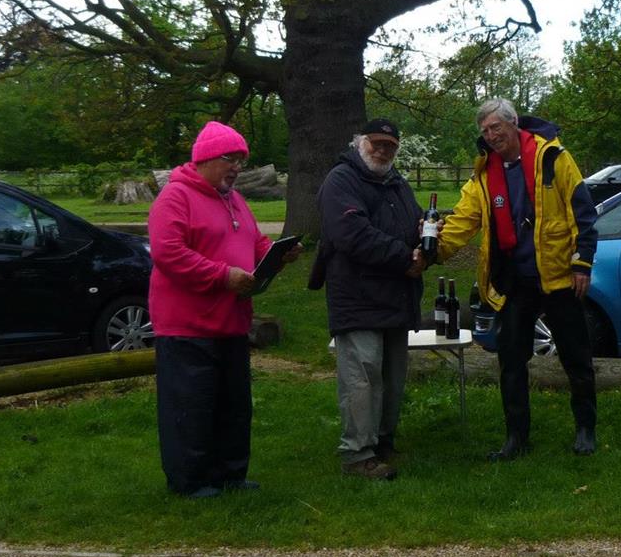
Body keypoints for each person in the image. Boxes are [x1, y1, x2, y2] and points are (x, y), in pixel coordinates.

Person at [437, 98, 598, 460]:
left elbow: (582, 212)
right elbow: (463, 221)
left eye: (496, 127)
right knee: (510, 360)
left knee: (576, 357)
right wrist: (432, 251)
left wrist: (582, 263)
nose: (492, 136)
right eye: (485, 131)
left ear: (514, 125)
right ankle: (516, 438)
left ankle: (586, 429)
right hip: (514, 281)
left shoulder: (553, 158)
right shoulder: (483, 173)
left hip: (558, 276)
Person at [148, 120, 301, 498]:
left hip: (231, 321)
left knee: (233, 405)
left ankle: (231, 474)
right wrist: (222, 276)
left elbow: (256, 241)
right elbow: (169, 253)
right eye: (230, 159)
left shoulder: (234, 198)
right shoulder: (175, 197)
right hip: (187, 325)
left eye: (242, 161)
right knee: (191, 406)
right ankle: (191, 480)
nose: (237, 167)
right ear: (205, 159)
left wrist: (276, 255)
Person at [317, 118, 426, 480]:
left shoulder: (397, 183)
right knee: (361, 376)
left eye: (389, 146)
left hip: (395, 296)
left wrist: (428, 245)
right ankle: (357, 454)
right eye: (375, 143)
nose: (382, 150)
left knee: (392, 376)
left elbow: (415, 225)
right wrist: (404, 257)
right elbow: (351, 233)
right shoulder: (341, 180)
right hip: (357, 296)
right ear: (359, 142)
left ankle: (382, 441)